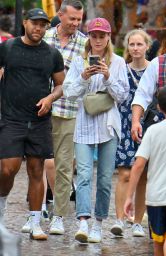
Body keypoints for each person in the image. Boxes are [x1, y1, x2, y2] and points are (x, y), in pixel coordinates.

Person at [62, 17, 129, 243]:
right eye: (94, 35)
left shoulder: (118, 62)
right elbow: (69, 93)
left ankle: (99, 223)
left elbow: (122, 96)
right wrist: (83, 77)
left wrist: (108, 77)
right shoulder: (79, 62)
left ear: (109, 37)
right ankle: (83, 221)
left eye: (102, 35)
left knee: (104, 179)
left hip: (108, 126)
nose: (98, 40)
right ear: (88, 37)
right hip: (84, 125)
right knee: (83, 175)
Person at [0, 8, 65, 240]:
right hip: (11, 118)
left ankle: (36, 222)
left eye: (43, 24)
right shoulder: (8, 48)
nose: (38, 28)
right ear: (25, 23)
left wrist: (49, 98)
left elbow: (59, 85)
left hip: (39, 120)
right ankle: (1, 208)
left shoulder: (52, 54)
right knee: (8, 167)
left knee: (37, 170)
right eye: (34, 23)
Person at [43, 0, 87, 235]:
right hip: (38, 109)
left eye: (79, 19)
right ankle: (36, 211)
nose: (76, 23)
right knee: (35, 162)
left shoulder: (84, 43)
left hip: (69, 111)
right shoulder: (45, 36)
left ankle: (58, 215)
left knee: (63, 166)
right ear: (60, 15)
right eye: (72, 18)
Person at [111, 29, 151, 237]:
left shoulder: (153, 69)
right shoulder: (121, 69)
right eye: (132, 44)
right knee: (125, 174)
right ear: (128, 47)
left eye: (139, 44)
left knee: (143, 175)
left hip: (149, 126)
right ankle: (119, 219)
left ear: (147, 46)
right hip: (125, 124)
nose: (135, 48)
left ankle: (137, 222)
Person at [124, 85, 166, 256]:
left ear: (159, 107)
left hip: (155, 199)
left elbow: (138, 166)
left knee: (158, 244)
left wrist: (129, 197)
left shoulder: (152, 131)